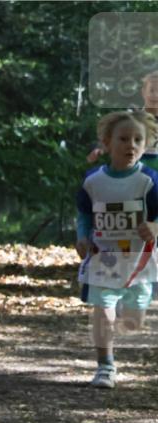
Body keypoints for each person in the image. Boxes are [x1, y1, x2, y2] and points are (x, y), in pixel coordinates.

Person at [75, 110, 158, 389]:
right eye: (123, 138)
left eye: (138, 139)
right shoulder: (92, 181)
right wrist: (83, 236)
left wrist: (154, 228)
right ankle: (105, 367)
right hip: (105, 257)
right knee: (103, 309)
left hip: (139, 261)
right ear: (107, 143)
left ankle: (125, 308)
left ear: (146, 146)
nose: (131, 145)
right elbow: (84, 213)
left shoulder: (149, 181)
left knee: (133, 322)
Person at [86, 70, 158, 171]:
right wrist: (100, 149)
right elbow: (114, 133)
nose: (156, 95)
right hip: (135, 161)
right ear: (143, 92)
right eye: (152, 90)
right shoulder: (133, 117)